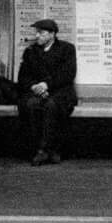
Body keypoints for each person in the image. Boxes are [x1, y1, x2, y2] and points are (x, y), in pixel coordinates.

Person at [16, 18, 78, 166]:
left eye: (41, 33)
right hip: (36, 92)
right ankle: (42, 149)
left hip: (60, 91)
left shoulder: (67, 49)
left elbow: (67, 74)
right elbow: (23, 76)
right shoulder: (30, 51)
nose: (37, 36)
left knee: (51, 106)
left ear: (52, 34)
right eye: (36, 33)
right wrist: (35, 87)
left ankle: (46, 149)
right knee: (31, 105)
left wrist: (46, 85)